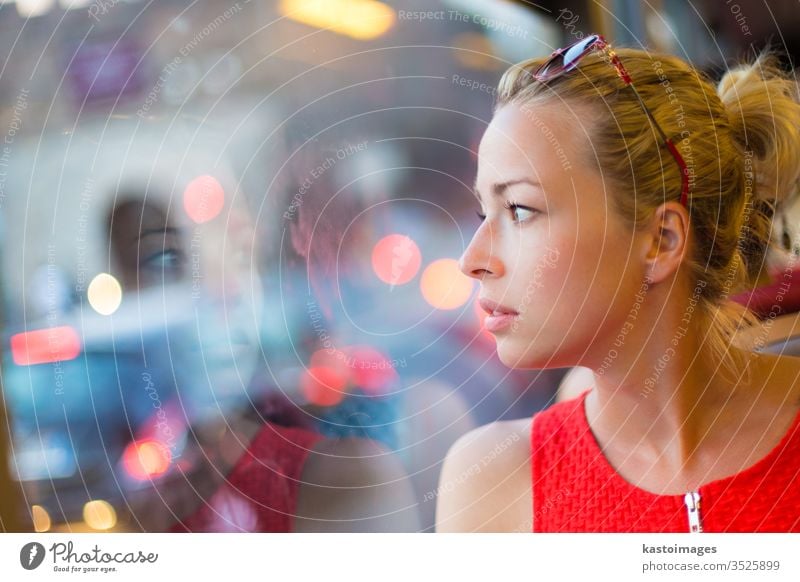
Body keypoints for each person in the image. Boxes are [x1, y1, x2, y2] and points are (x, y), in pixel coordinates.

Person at [435, 35, 800, 533]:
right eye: (483, 211)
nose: (471, 260)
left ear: (662, 240)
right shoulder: (494, 484)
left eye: (519, 210)